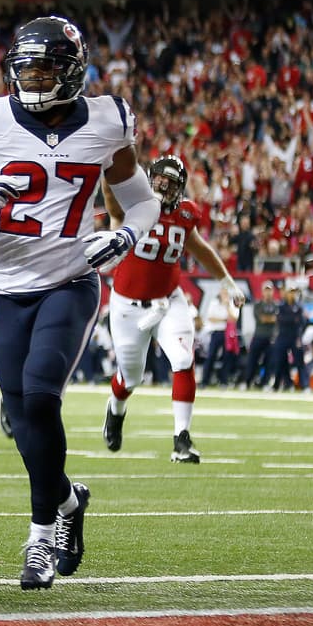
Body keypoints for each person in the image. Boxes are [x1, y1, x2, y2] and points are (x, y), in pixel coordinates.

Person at [0, 15, 160, 590]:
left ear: (72, 72)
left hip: (71, 280)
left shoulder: (105, 121)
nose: (31, 79)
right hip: (8, 287)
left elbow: (144, 202)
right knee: (21, 415)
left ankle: (40, 538)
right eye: (24, 69)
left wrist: (125, 235)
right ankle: (69, 501)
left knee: (39, 395)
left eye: (44, 69)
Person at [101, 155, 246, 464]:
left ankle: (182, 439)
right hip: (128, 305)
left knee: (182, 358)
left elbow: (201, 250)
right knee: (131, 378)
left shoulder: (185, 213)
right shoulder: (133, 205)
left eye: (170, 183)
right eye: (159, 180)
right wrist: (105, 166)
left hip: (168, 301)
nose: (163, 187)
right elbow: (111, 201)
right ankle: (115, 409)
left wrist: (228, 282)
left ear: (180, 188)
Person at [241, 282, 278, 389]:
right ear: (262, 292)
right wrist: (272, 318)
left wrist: (271, 318)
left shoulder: (276, 305)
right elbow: (262, 318)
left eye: (269, 290)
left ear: (272, 291)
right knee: (252, 360)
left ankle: (265, 383)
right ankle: (247, 382)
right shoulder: (258, 305)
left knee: (269, 361)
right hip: (258, 336)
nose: (268, 292)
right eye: (266, 290)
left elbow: (277, 319)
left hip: (271, 337)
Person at [271, 281, 306, 391]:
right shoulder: (281, 306)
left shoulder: (299, 307)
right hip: (282, 336)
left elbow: (301, 322)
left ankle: (305, 386)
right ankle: (277, 385)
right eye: (290, 292)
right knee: (279, 361)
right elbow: (280, 320)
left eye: (294, 292)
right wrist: (292, 319)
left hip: (295, 336)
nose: (292, 294)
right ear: (286, 293)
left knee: (299, 361)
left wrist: (299, 337)